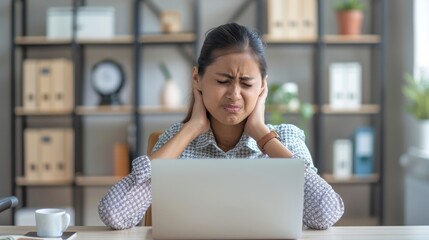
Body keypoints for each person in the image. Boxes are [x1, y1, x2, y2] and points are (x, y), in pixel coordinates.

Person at [98, 22, 344, 230]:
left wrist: (261, 134)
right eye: (223, 81)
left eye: (246, 84)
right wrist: (192, 129)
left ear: (262, 87)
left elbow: (325, 214)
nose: (234, 95)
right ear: (197, 78)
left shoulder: (286, 139)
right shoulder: (177, 140)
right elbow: (115, 215)